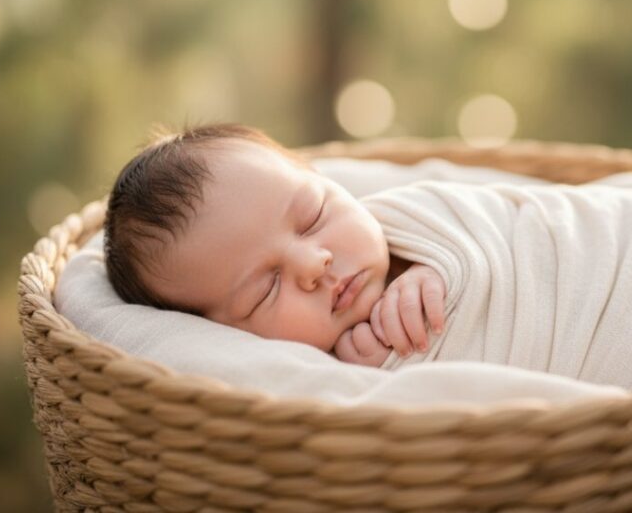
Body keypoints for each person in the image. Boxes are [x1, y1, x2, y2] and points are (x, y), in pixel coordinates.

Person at [104, 123, 445, 368]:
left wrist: (441, 267)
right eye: (266, 289)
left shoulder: (421, 217)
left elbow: (493, 218)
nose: (314, 264)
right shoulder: (300, 377)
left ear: (325, 180)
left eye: (313, 216)